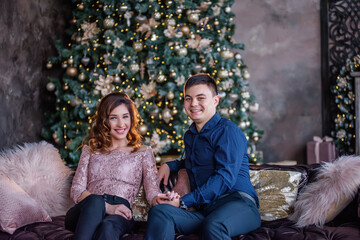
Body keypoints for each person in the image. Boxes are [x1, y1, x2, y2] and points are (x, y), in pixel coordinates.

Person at [145, 73, 261, 240]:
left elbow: (224, 177)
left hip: (238, 204)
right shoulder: (190, 135)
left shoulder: (227, 131)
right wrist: (170, 165)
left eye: (201, 98)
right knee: (160, 212)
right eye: (188, 98)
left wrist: (185, 202)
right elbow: (198, 162)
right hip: (206, 211)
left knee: (214, 225)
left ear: (215, 100)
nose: (193, 104)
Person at [65, 92, 163, 240]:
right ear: (104, 121)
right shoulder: (90, 150)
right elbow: (77, 189)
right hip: (87, 209)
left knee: (108, 226)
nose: (121, 124)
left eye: (125, 116)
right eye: (113, 118)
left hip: (121, 212)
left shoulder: (143, 152)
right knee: (95, 201)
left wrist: (162, 199)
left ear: (131, 118)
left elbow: (152, 192)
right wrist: (107, 207)